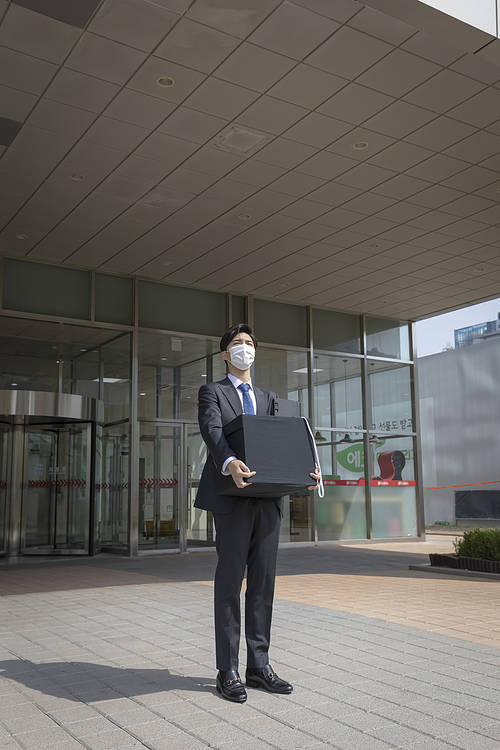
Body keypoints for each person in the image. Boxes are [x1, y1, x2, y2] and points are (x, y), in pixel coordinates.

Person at [194, 323, 321, 703]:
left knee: (263, 584)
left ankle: (258, 667)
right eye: (237, 344)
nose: (244, 349)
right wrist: (229, 460)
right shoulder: (212, 392)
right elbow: (211, 430)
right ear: (224, 354)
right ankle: (227, 670)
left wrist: (306, 470)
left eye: (249, 343)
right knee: (230, 584)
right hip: (232, 499)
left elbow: (284, 441)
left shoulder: (270, 398)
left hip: (268, 502)